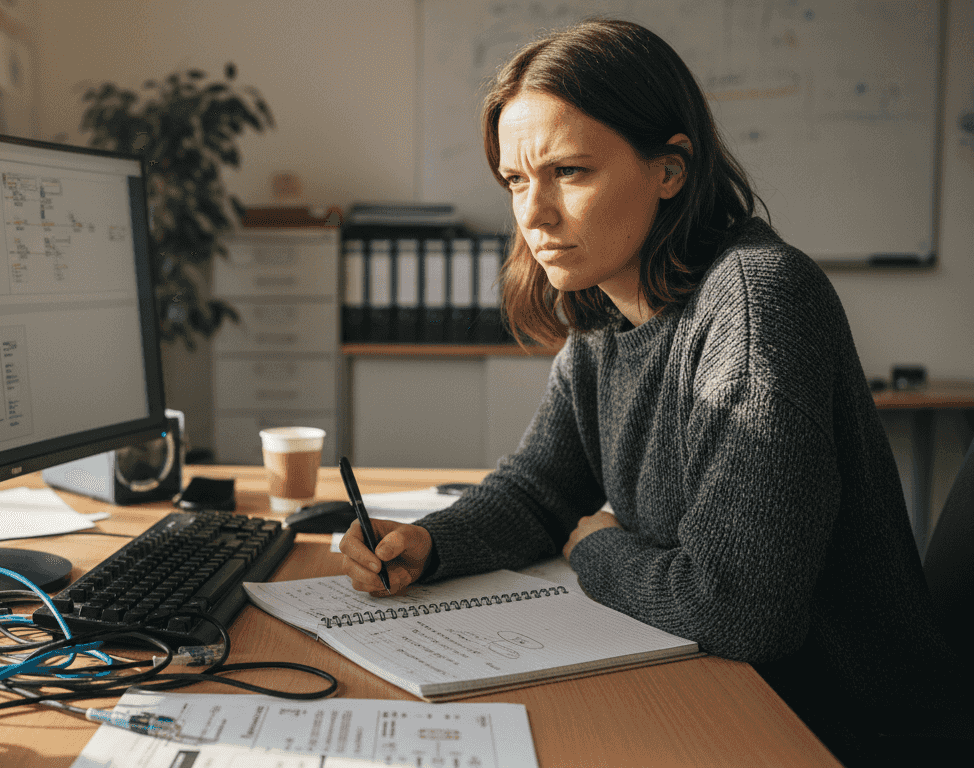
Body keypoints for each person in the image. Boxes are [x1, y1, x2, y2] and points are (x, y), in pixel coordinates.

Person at [338, 18, 967, 767]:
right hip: (723, 688)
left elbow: (739, 611)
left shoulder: (757, 304)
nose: (532, 215)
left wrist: (600, 550)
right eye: (515, 180)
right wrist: (432, 542)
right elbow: (542, 488)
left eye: (569, 172)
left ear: (669, 169)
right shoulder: (604, 310)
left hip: (843, 729)